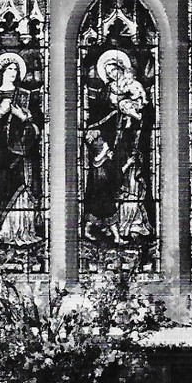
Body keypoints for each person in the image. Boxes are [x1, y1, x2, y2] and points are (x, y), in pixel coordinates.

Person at [83, 49, 152, 245]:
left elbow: (143, 107)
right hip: (107, 137)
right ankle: (105, 225)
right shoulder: (106, 91)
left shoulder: (132, 86)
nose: (113, 74)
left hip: (127, 137)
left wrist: (133, 111)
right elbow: (98, 115)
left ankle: (129, 223)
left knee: (128, 173)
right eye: (109, 72)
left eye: (115, 70)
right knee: (106, 181)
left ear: (122, 69)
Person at [0, 53, 42, 246]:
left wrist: (22, 116)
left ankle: (20, 231)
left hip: (21, 149)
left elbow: (37, 124)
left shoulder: (24, 95)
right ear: (2, 71)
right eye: (10, 69)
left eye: (16, 70)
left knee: (21, 185)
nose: (13, 73)